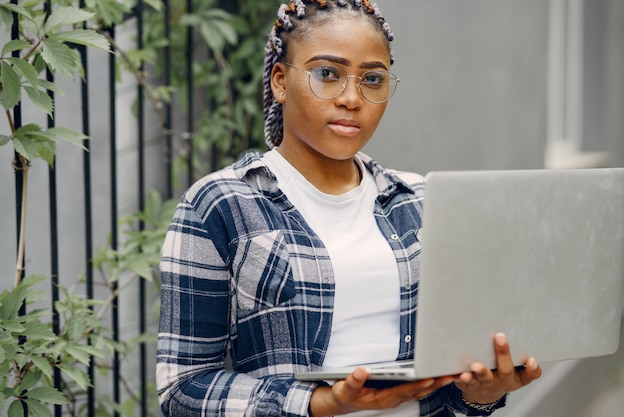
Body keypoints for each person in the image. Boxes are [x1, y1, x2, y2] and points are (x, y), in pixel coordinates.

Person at [156, 1, 543, 416]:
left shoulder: (421, 202)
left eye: (372, 79)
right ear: (281, 81)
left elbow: (449, 381)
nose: (352, 98)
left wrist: (481, 394)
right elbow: (183, 388)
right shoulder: (220, 205)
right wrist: (321, 403)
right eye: (328, 74)